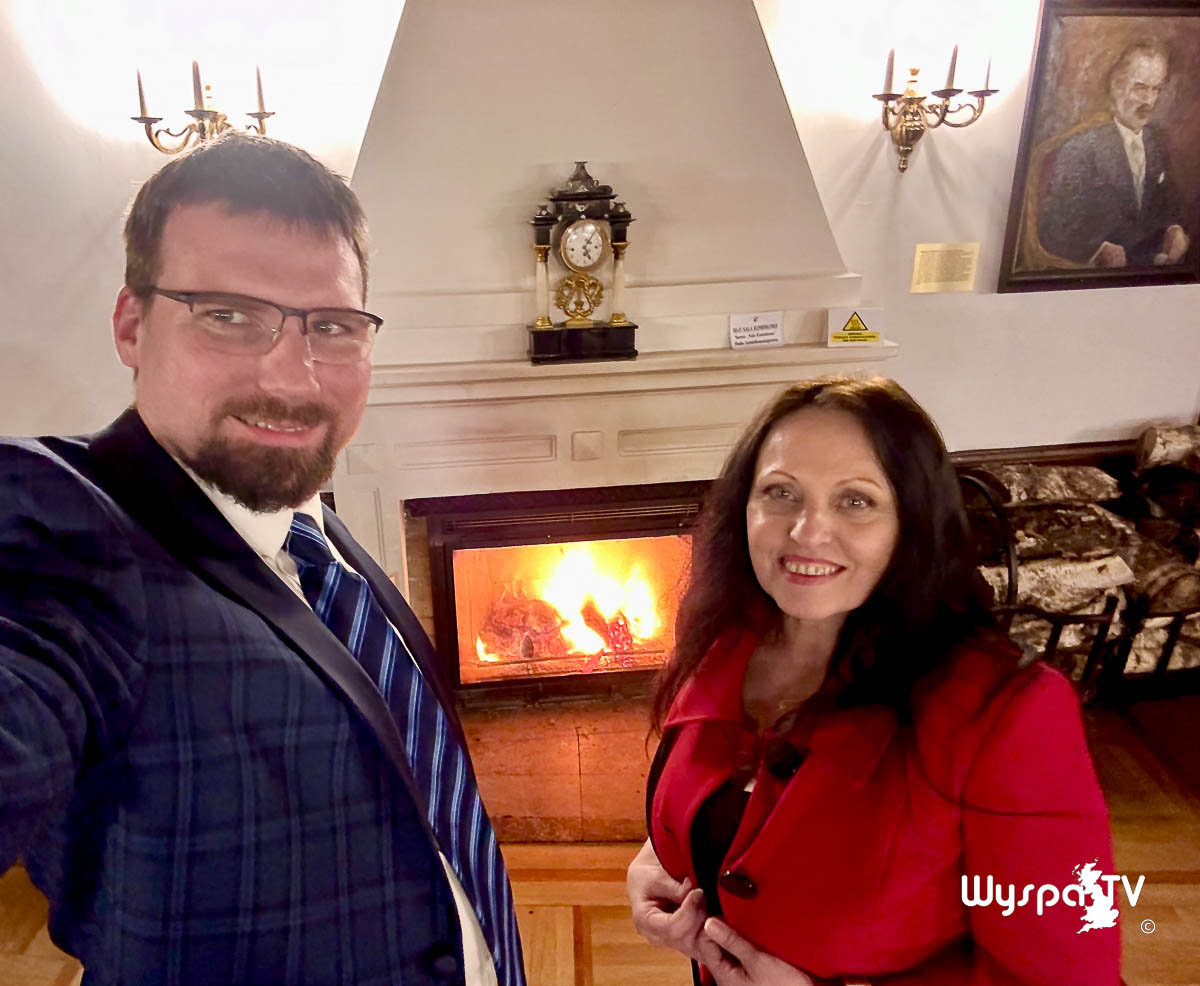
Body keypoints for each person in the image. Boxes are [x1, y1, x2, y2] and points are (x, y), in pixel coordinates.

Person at [0, 134, 525, 986]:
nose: (292, 378)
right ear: (132, 324)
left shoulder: (306, 525)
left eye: (331, 326)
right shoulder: (67, 539)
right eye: (228, 315)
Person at [626, 377, 1119, 985]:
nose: (807, 531)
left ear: (912, 522)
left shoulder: (1010, 713)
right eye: (781, 492)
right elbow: (730, 801)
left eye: (855, 501)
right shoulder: (725, 637)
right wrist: (657, 860)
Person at [1038, 39, 1190, 267]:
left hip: (1154, 274)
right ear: (1117, 88)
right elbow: (1052, 228)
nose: (1149, 101)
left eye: (1156, 89)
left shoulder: (1157, 141)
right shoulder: (1081, 149)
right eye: (1140, 88)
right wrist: (1096, 249)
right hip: (1101, 279)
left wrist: (1175, 229)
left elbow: (1170, 206)